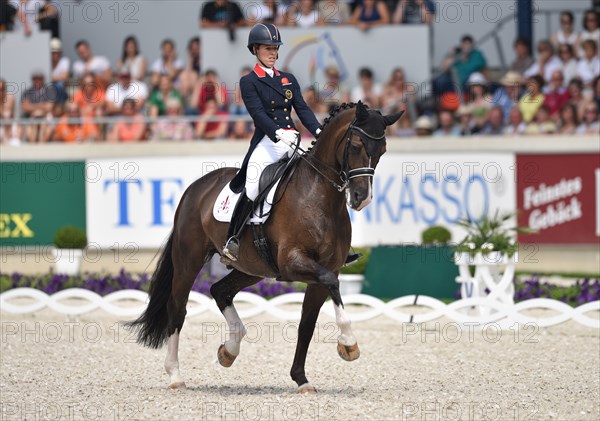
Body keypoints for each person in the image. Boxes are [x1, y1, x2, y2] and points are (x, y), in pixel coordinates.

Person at [222, 23, 357, 266]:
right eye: (267, 49)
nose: (273, 53)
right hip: (267, 142)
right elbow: (257, 114)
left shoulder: (288, 79)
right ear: (255, 50)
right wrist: (277, 133)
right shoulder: (249, 81)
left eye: (275, 48)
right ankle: (233, 240)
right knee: (253, 185)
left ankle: (335, 245)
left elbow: (302, 109)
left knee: (322, 181)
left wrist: (319, 130)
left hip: (293, 140)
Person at [50, 38, 69, 104]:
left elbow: (64, 78)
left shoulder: (64, 61)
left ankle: (60, 108)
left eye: (57, 52)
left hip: (60, 88)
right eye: (53, 52)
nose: (55, 54)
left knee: (59, 87)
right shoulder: (47, 62)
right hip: (48, 87)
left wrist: (51, 78)